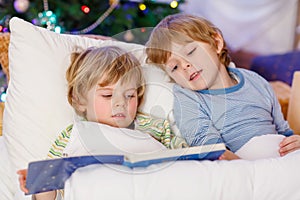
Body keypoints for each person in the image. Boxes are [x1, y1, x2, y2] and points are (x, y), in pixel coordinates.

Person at [17, 45, 187, 200]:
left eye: (130, 95)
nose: (120, 103)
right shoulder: (71, 136)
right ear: (80, 101)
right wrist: (39, 183)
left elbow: (185, 162)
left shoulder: (154, 127)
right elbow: (54, 192)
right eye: (107, 95)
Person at [145, 13, 300, 160]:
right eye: (174, 68)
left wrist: (294, 142)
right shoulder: (188, 96)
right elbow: (206, 145)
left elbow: (284, 131)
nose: (185, 65)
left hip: (283, 158)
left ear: (217, 43)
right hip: (242, 165)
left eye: (190, 52)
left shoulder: (255, 80)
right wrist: (236, 164)